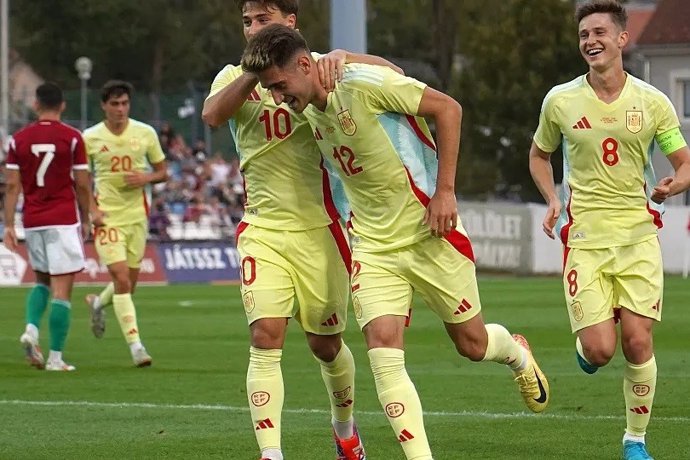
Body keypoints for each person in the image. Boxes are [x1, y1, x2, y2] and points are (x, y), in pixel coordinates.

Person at [241, 24, 551, 460]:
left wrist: (445, 191)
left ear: (306, 65)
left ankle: (515, 353)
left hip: (429, 230)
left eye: (279, 86)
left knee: (472, 345)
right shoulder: (305, 106)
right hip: (372, 245)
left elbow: (449, 109)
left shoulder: (363, 85)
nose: (277, 98)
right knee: (383, 354)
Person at [201, 3, 407, 459]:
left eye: (262, 19)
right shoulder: (234, 77)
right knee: (265, 335)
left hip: (320, 229)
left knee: (326, 344)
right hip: (262, 228)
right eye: (247, 22)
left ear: (289, 23)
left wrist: (345, 55)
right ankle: (271, 453)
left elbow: (393, 73)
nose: (253, 28)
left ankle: (345, 427)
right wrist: (256, 73)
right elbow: (213, 116)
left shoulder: (313, 70)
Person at [527, 1, 690, 459]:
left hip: (638, 236)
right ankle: (589, 347)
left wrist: (671, 186)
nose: (590, 41)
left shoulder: (652, 101)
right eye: (584, 34)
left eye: (599, 32)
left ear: (622, 39)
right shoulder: (560, 100)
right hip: (584, 240)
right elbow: (539, 155)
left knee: (638, 341)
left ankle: (634, 442)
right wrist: (553, 199)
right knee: (600, 351)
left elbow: (684, 163)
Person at [3, 82, 99, 371]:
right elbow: (82, 184)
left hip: (32, 221)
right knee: (62, 290)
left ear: (36, 105)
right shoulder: (72, 138)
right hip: (62, 219)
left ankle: (31, 330)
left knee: (41, 280)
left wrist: (8, 224)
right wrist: (88, 216)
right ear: (63, 105)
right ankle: (56, 358)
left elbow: (10, 185)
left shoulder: (17, 140)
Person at [83, 80, 168, 368]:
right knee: (120, 279)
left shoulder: (145, 133)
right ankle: (136, 347)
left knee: (128, 286)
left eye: (125, 104)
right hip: (107, 219)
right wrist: (92, 210)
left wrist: (145, 178)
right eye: (115, 104)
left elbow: (162, 172)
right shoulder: (90, 138)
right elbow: (80, 181)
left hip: (137, 218)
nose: (120, 109)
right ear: (104, 106)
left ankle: (97, 303)